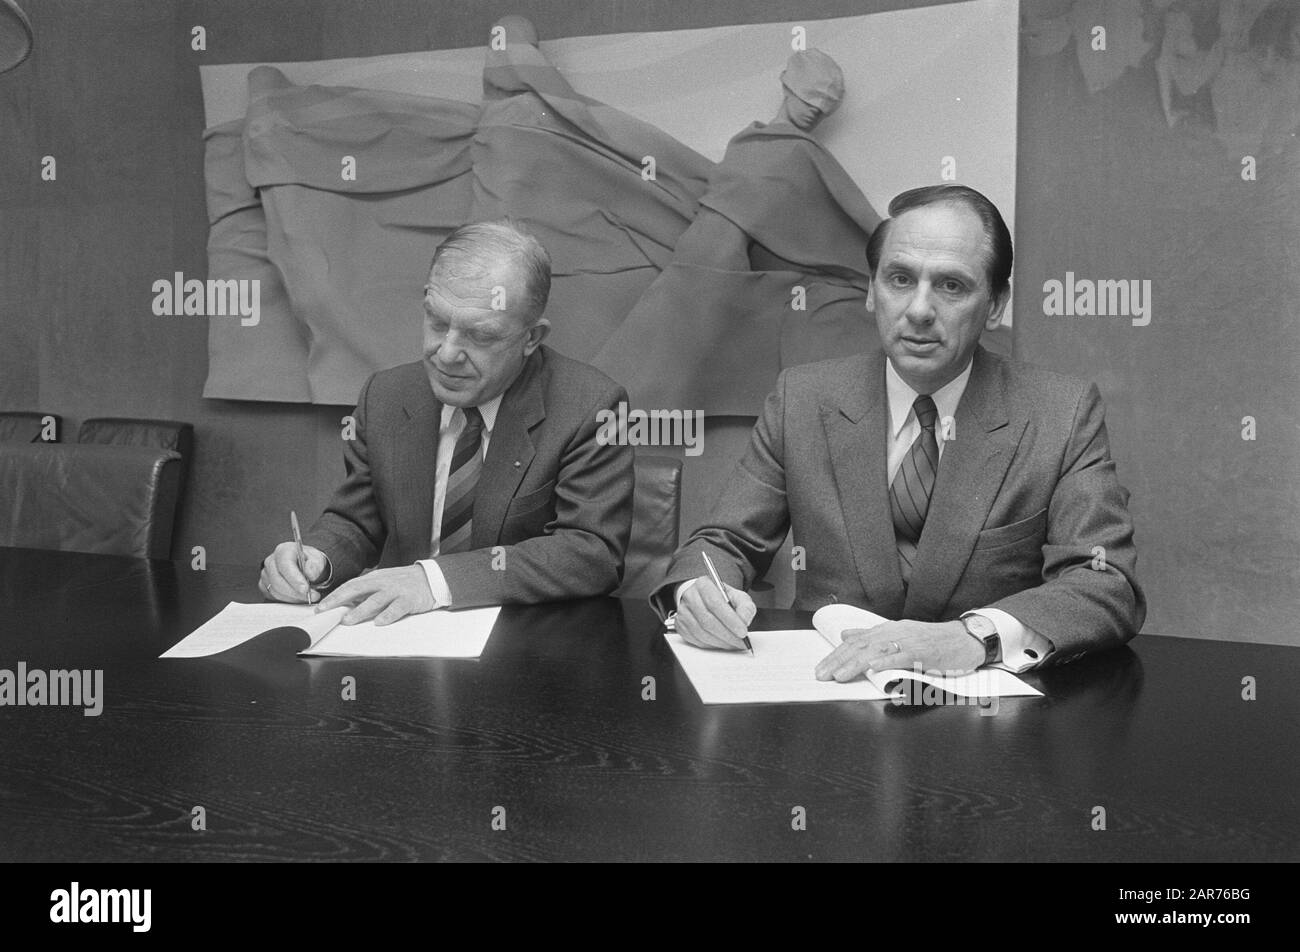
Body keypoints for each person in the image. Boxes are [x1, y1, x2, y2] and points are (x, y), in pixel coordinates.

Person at [654, 185, 1144, 677]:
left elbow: (1103, 581)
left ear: (996, 304)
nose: (918, 310)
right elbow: (722, 542)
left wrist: (975, 635)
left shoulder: (1061, 411)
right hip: (830, 698)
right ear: (871, 290)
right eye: (900, 279)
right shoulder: (802, 398)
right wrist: (698, 592)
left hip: (982, 715)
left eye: (952, 285)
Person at [260, 219, 635, 623]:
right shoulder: (387, 396)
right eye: (437, 322)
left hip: (526, 647)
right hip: (403, 641)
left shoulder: (590, 406)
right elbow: (357, 520)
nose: (446, 353)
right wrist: (318, 558)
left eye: (481, 336)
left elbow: (590, 553)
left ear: (531, 338)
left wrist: (434, 581)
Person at [592, 49, 884, 415]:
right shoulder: (747, 142)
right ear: (787, 85)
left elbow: (852, 219)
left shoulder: (804, 156)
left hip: (725, 269)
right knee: (653, 354)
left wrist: (889, 255)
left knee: (673, 364)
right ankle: (598, 426)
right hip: (694, 258)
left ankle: (612, 426)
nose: (815, 110)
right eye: (809, 97)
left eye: (825, 107)